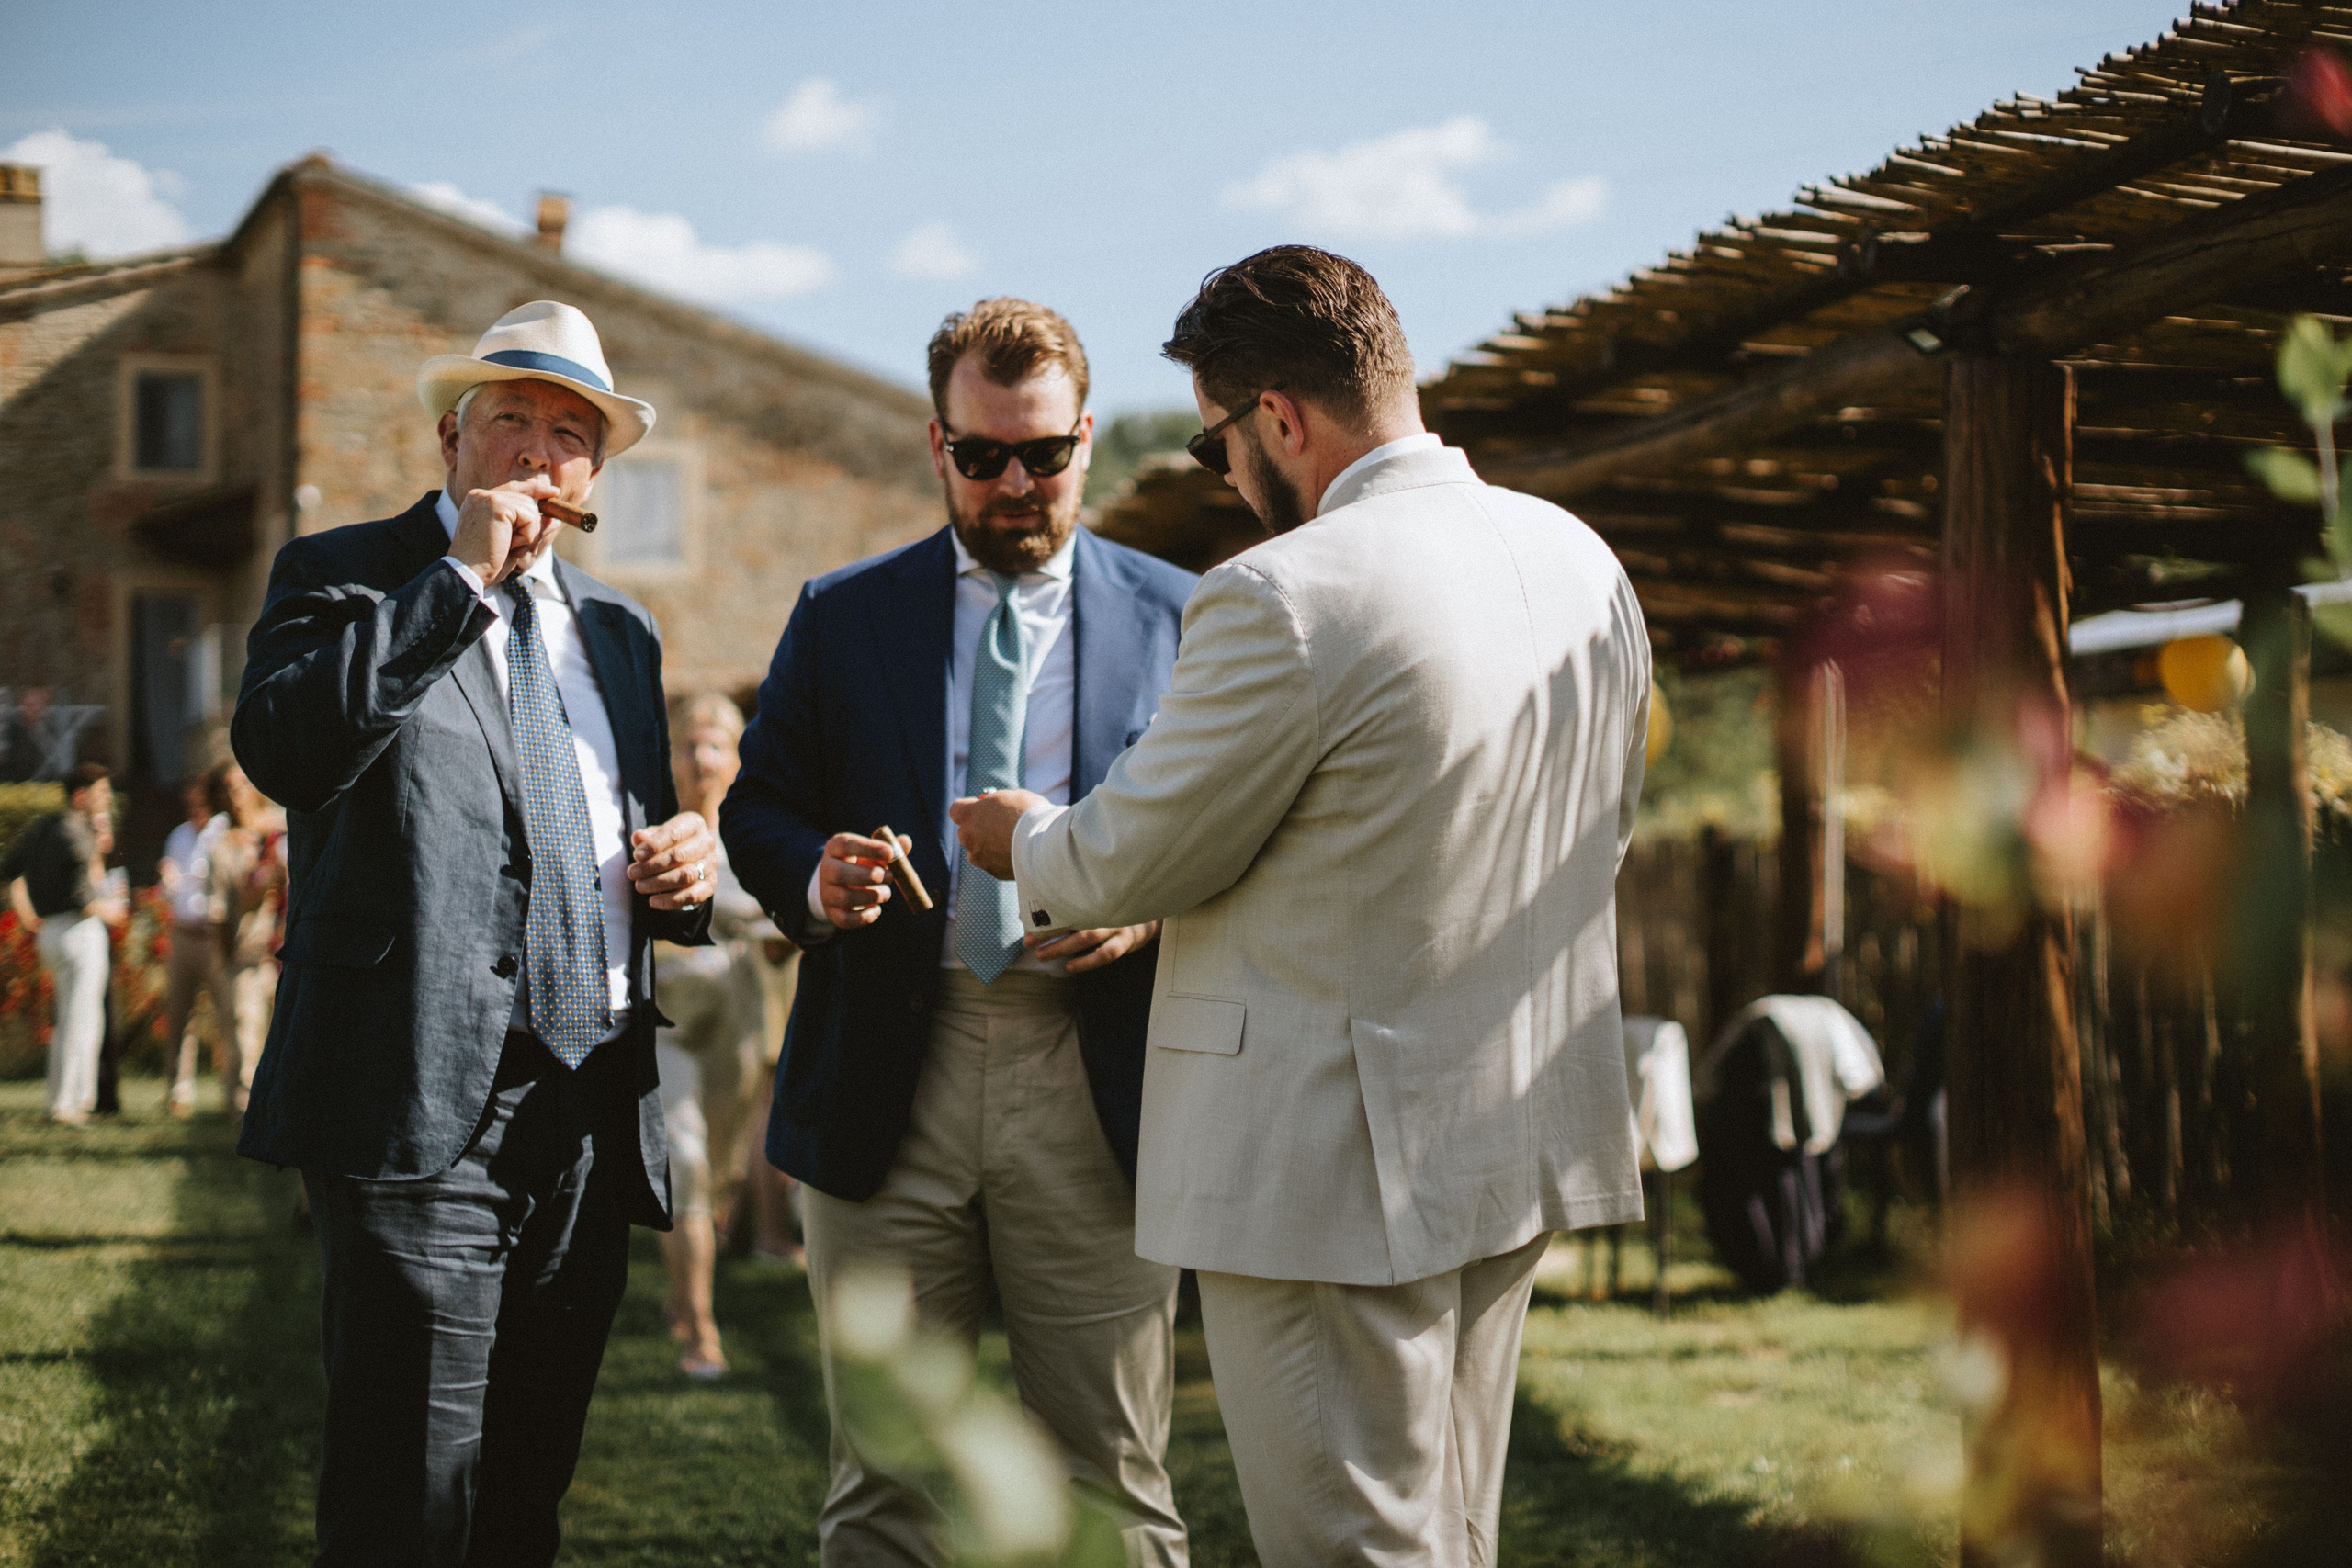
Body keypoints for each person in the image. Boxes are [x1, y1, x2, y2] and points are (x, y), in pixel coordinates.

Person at [951, 247, 1652, 1566]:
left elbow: (1125, 858)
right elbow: (1607, 825)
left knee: (1352, 1544)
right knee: (1450, 1531)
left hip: (1326, 1159)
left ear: (1279, 415)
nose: (1229, 475)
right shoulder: (1578, 558)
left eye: (1220, 445)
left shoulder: (1286, 592)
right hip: (1508, 1123)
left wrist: (1021, 836)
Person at [232, 299, 717, 1568]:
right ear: (454, 437)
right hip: (419, 1096)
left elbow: (623, 827)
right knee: (407, 1504)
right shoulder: (343, 576)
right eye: (511, 419)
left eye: (570, 432)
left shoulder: (620, 629)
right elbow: (288, 748)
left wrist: (685, 866)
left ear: (595, 472)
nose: (537, 452)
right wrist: (459, 579)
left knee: (520, 1502)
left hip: (590, 1109)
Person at [723, 298, 1196, 1564]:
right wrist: (811, 880)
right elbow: (757, 801)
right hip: (888, 1067)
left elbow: (1244, 837)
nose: (1014, 481)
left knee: (1112, 1474)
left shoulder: (1188, 617)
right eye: (982, 453)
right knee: (884, 1484)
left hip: (1095, 1077)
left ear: (1086, 437)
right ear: (937, 443)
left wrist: (1147, 906)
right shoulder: (842, 612)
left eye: (1041, 451)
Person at [652, 691, 773, 1379]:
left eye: (715, 744)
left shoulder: (758, 829)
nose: (700, 757)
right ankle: (701, 1327)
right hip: (667, 1018)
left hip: (738, 1015)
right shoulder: (649, 823)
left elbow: (792, 911)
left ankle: (683, 1287)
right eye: (687, 744)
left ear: (736, 755)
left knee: (722, 1171)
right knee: (686, 1162)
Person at [4, 762, 126, 1125]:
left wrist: (27, 916)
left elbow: (10, 870)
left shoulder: (41, 827)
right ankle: (69, 1104)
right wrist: (112, 910)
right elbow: (83, 898)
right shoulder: (77, 832)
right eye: (101, 793)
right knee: (83, 1020)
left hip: (51, 934)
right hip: (79, 931)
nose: (105, 801)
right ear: (80, 795)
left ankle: (59, 1099)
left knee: (66, 1020)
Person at [162, 766, 237, 1117]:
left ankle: (234, 1096)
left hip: (212, 936)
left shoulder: (222, 834)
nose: (192, 803)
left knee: (229, 1014)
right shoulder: (178, 836)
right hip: (182, 933)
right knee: (179, 1016)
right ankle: (178, 1092)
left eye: (198, 797)